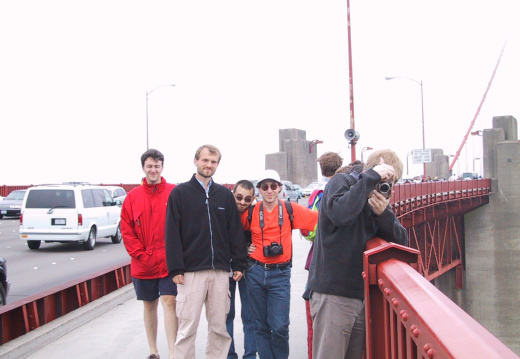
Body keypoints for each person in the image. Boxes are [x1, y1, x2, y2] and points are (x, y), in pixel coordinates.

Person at [307, 149, 408, 359]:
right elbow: (341, 214)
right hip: (332, 294)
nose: (385, 186)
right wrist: (370, 179)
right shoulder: (342, 182)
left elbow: (402, 244)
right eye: (383, 178)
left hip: (359, 298)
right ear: (370, 171)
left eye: (391, 182)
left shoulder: (375, 200)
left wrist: (384, 214)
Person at [165, 144, 247, 359]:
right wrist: (176, 268)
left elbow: (234, 232)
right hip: (190, 273)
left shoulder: (224, 195)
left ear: (217, 164)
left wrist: (238, 263)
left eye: (213, 162)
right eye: (205, 160)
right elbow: (171, 233)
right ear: (196, 161)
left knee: (220, 329)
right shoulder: (180, 193)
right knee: (186, 329)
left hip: (220, 272)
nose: (209, 165)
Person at [242, 169, 318, 359]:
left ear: (279, 189)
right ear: (259, 190)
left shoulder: (290, 209)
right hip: (255, 271)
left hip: (280, 275)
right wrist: (243, 248)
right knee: (260, 325)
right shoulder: (251, 212)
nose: (269, 190)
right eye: (265, 186)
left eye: (273, 186)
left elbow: (320, 221)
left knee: (280, 326)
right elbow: (230, 232)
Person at [120, 148, 178, 359]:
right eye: (149, 166)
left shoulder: (173, 192)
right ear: (143, 168)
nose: (153, 170)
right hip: (143, 263)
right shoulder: (132, 197)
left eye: (157, 166)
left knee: (170, 303)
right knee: (149, 304)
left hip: (169, 262)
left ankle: (173, 351)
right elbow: (126, 229)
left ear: (162, 167)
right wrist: (141, 255)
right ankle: (153, 350)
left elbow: (184, 224)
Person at [300, 152, 343, 359]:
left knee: (315, 322)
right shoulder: (345, 189)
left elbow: (311, 231)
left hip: (317, 258)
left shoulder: (316, 192)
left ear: (321, 168)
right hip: (339, 261)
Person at [227, 180, 257, 359]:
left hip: (248, 268)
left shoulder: (255, 214)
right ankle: (229, 354)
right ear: (233, 194)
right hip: (226, 268)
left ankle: (250, 354)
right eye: (238, 197)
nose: (242, 202)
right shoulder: (222, 211)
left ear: (253, 198)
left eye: (247, 199)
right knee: (226, 315)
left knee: (250, 315)